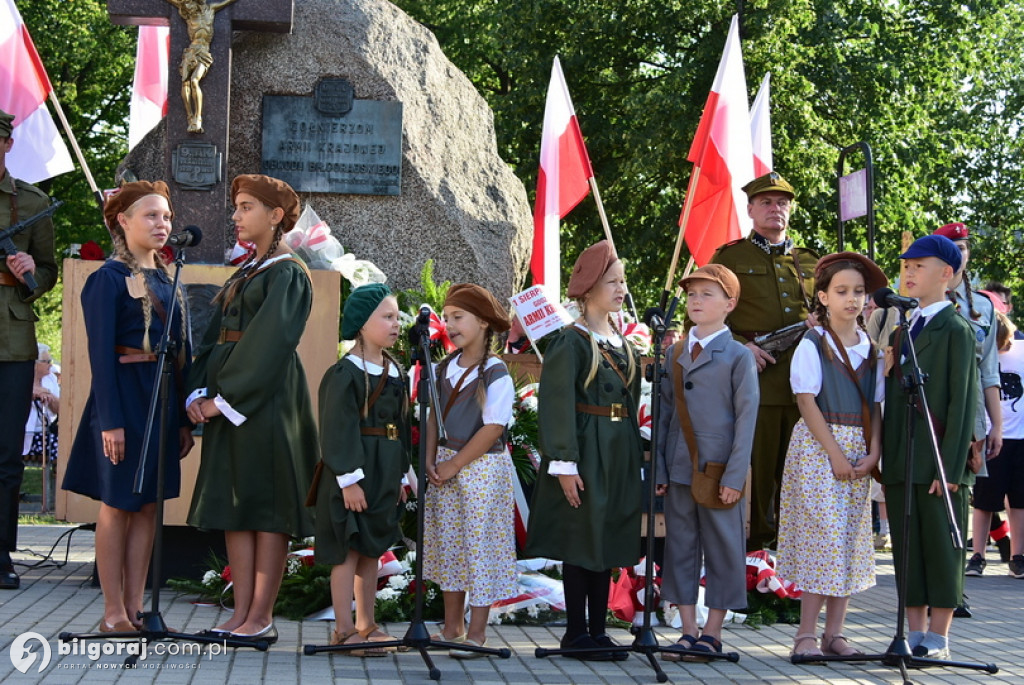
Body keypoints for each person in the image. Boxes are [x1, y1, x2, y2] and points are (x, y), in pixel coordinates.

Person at [186, 174, 318, 643]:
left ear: (276, 215)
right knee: (233, 507)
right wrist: (196, 392)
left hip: (264, 404)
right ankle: (240, 614)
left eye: (246, 207)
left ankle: (261, 618)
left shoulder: (287, 272)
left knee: (266, 508)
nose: (237, 215)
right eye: (236, 207)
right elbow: (214, 337)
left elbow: (269, 345)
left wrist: (224, 401)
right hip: (228, 403)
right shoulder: (249, 270)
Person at [62, 180, 194, 632]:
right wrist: (111, 422)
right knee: (118, 504)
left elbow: (178, 351)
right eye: (152, 216)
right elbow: (101, 356)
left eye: (167, 217)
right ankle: (112, 612)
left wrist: (180, 417)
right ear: (123, 221)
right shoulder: (107, 280)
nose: (163, 224)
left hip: (160, 399)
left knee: (149, 506)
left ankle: (137, 608)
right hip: (122, 399)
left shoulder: (166, 278)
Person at [525, 240, 643, 660]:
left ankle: (598, 630)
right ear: (590, 288)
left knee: (605, 539)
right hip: (585, 452)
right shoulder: (571, 343)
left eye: (623, 281)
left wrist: (637, 460)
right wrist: (563, 463)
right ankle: (576, 632)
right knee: (581, 541)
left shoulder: (623, 342)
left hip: (617, 454)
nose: (621, 289)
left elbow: (631, 406)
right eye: (613, 281)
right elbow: (556, 406)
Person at [776, 252, 887, 658]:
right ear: (822, 297)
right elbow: (806, 402)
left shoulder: (872, 348)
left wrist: (873, 451)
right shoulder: (814, 343)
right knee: (821, 537)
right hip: (820, 448)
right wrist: (836, 455)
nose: (852, 300)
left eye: (858, 292)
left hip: (859, 446)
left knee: (849, 539)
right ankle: (805, 634)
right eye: (841, 291)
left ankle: (835, 634)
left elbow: (875, 406)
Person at [709, 171, 820, 551]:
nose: (776, 209)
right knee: (757, 482)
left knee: (799, 480)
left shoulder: (809, 261)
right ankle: (757, 568)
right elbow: (708, 314)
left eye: (783, 203)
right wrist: (741, 345)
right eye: (767, 203)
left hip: (807, 388)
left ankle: (793, 567)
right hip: (757, 383)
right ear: (751, 209)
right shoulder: (731, 257)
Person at [655, 264, 758, 662]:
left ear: (729, 304)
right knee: (680, 546)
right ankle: (687, 630)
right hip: (681, 468)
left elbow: (747, 419)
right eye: (692, 294)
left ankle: (712, 633)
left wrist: (735, 476)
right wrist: (661, 470)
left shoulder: (737, 356)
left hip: (718, 472)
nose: (696, 301)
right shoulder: (674, 353)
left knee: (723, 548)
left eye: (707, 294)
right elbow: (664, 416)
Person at [881, 234, 977, 660]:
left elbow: (962, 403)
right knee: (909, 549)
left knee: (941, 547)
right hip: (905, 457)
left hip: (939, 460)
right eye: (906, 266)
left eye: (919, 265)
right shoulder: (905, 327)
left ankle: (939, 637)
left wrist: (951, 469)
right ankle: (914, 633)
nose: (909, 272)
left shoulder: (955, 329)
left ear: (947, 274)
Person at [312, 283, 409, 653]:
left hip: (385, 468)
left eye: (396, 316)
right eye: (386, 316)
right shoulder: (345, 373)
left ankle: (367, 624)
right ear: (362, 323)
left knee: (371, 550)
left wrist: (401, 474)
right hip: (352, 471)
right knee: (347, 550)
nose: (395, 323)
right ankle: (343, 629)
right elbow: (338, 428)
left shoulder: (394, 369)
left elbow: (400, 429)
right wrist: (349, 480)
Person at [423, 283, 518, 657]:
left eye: (458, 317)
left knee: (480, 547)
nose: (450, 325)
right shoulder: (443, 366)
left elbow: (494, 426)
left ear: (481, 322)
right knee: (450, 545)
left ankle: (477, 632)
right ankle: (452, 626)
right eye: (447, 318)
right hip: (445, 468)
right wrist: (431, 461)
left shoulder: (495, 371)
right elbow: (432, 417)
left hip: (481, 470)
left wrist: (454, 464)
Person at [0, 108, 58, 590]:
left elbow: (48, 273)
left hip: (11, 344)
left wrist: (27, 274)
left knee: (5, 456)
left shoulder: (32, 203)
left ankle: (0, 557)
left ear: (6, 146)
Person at [929, 224, 1004, 584]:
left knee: (960, 493)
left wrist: (996, 425)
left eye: (964, 247)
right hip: (929, 405)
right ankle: (929, 583)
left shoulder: (985, 306)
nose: (960, 253)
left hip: (970, 408)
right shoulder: (920, 297)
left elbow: (989, 371)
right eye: (951, 246)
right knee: (929, 491)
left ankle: (955, 587)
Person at [978, 312, 1024, 578]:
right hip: (989, 436)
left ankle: (1018, 556)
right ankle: (978, 555)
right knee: (984, 501)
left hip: (1019, 437)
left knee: (1018, 501)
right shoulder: (982, 355)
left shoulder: (1020, 350)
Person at [23, 343, 60, 464]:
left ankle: (59, 481)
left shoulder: (51, 379)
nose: (50, 364)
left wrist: (47, 393)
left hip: (46, 432)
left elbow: (60, 409)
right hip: (23, 433)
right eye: (46, 361)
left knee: (68, 443)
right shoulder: (20, 379)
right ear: (35, 363)